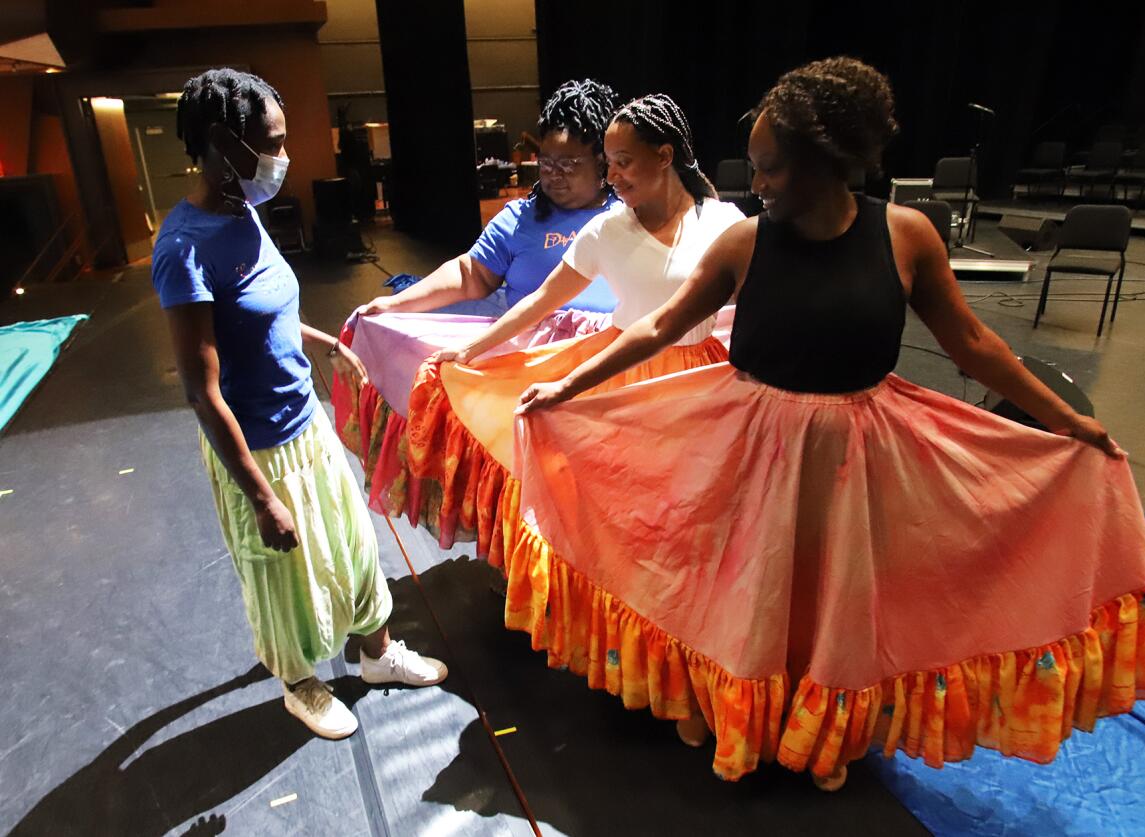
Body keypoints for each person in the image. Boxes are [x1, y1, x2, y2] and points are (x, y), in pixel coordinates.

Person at [508, 58, 1145, 789]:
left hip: (856, 452)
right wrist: (569, 383)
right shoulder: (746, 243)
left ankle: (820, 733)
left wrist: (1068, 422)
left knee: (833, 598)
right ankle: (746, 720)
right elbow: (660, 326)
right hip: (753, 445)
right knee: (749, 592)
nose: (755, 185)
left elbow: (974, 346)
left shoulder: (907, 236)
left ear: (830, 163)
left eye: (770, 169)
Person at [152, 69, 447, 741]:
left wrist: (320, 343)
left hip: (305, 423)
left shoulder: (242, 209)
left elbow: (266, 314)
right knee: (284, 577)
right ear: (224, 144)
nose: (284, 157)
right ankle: (300, 683)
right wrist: (260, 497)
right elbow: (201, 390)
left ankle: (377, 656)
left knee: (353, 547)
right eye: (273, 142)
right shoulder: (184, 247)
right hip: (256, 447)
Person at [403, 93, 745, 561]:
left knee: (686, 507)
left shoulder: (725, 224)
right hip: (617, 373)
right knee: (616, 507)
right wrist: (471, 350)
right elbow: (543, 300)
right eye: (610, 164)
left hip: (696, 379)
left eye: (624, 162)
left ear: (665, 156)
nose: (613, 177)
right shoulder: (606, 231)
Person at [332, 79, 626, 517]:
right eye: (545, 161)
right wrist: (396, 303)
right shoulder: (521, 218)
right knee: (535, 488)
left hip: (614, 373)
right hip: (532, 381)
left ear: (603, 162)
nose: (552, 174)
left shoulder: (630, 211)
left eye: (568, 163)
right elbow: (471, 274)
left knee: (606, 490)